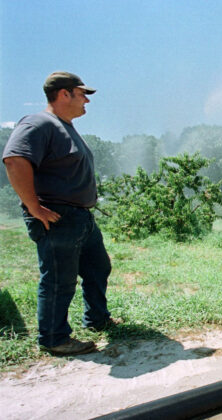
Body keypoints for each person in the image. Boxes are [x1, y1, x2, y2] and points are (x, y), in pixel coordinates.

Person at [2, 71, 117, 355]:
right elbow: (15, 159)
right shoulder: (39, 123)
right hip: (58, 217)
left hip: (81, 218)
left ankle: (97, 319)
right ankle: (55, 338)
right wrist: (33, 207)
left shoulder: (65, 127)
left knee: (98, 268)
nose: (87, 102)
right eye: (82, 95)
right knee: (58, 279)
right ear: (64, 94)